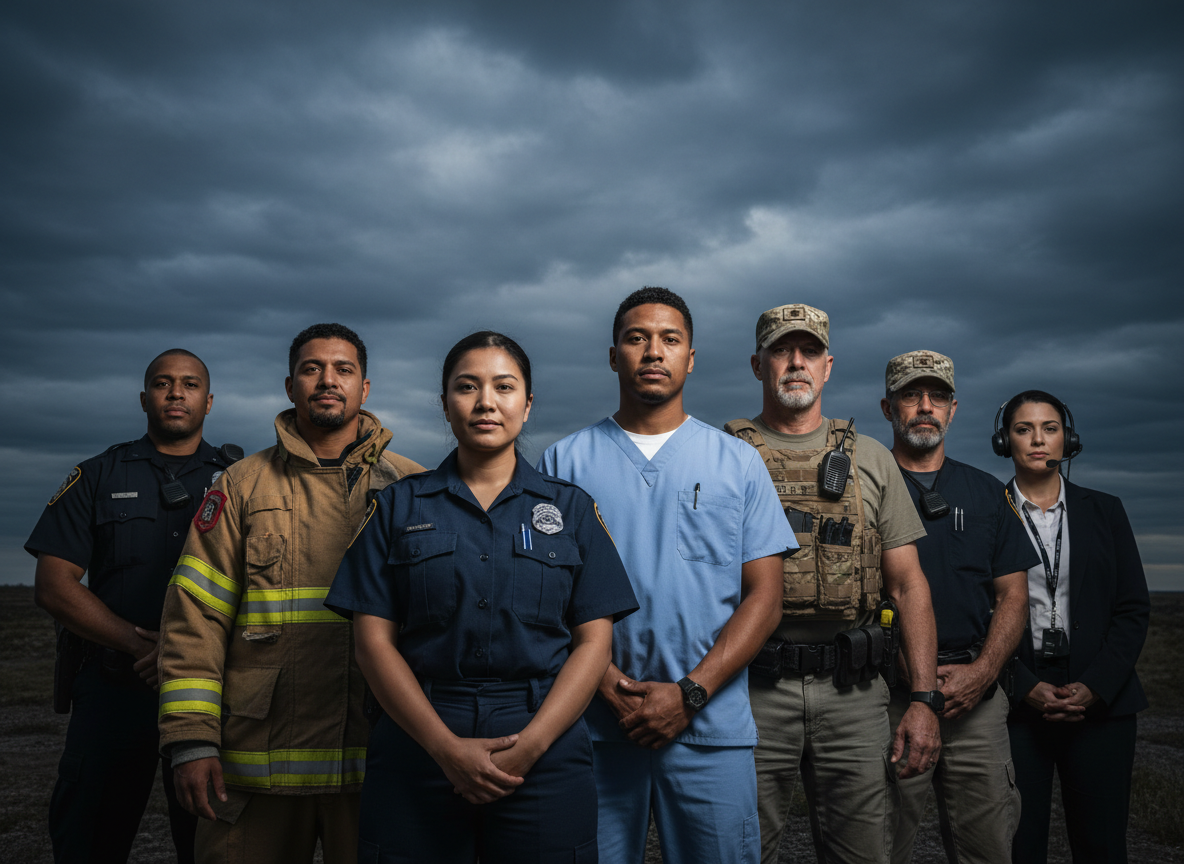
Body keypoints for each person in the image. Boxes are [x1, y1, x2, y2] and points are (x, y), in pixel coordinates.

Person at [323, 330, 638, 862]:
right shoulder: (398, 507)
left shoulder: (573, 510)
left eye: (504, 386)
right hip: (419, 739)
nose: (486, 402)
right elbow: (372, 645)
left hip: (544, 743)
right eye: (467, 387)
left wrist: (532, 747)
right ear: (446, 403)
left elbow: (594, 644)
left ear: (527, 403)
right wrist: (445, 750)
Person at [541, 287, 794, 864]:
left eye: (669, 339)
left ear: (690, 357)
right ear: (613, 356)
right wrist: (601, 684)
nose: (653, 351)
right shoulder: (564, 464)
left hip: (710, 727)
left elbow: (766, 598)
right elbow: (545, 598)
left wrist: (690, 693)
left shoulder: (737, 462)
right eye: (636, 338)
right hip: (595, 727)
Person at [156, 323, 424, 864]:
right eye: (312, 368)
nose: (328, 380)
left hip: (380, 762)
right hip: (259, 765)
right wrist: (191, 739)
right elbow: (194, 618)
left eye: (343, 369)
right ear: (289, 385)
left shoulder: (414, 488)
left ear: (364, 389)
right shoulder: (240, 485)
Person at [723, 304, 942, 864]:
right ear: (757, 364)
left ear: (827, 367)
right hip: (750, 690)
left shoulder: (869, 457)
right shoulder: (720, 454)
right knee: (740, 849)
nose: (796, 362)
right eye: (780, 350)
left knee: (862, 852)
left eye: (810, 351)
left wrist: (922, 699)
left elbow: (908, 586)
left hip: (852, 694)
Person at [26, 349, 233, 864]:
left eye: (189, 384)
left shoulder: (241, 481)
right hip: (114, 689)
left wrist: (183, 655)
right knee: (89, 838)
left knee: (214, 842)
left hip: (208, 695)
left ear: (209, 401)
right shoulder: (97, 475)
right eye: (163, 384)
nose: (176, 393)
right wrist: (139, 644)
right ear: (145, 399)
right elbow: (54, 585)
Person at [878, 351, 1037, 864]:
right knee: (878, 846)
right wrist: (903, 668)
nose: (925, 406)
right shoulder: (864, 489)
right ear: (888, 407)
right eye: (910, 395)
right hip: (887, 697)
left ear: (953, 409)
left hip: (977, 701)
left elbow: (1014, 594)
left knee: (988, 847)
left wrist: (984, 672)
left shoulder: (988, 493)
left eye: (937, 396)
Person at [995, 390, 1150, 864]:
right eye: (1024, 429)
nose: (1038, 439)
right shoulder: (987, 512)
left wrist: (1096, 686)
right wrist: (1023, 686)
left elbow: (1132, 608)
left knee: (1102, 845)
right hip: (1016, 702)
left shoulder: (1107, 510)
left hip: (1101, 704)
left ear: (1069, 439)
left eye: (1051, 428)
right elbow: (977, 614)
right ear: (1005, 441)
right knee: (1018, 845)